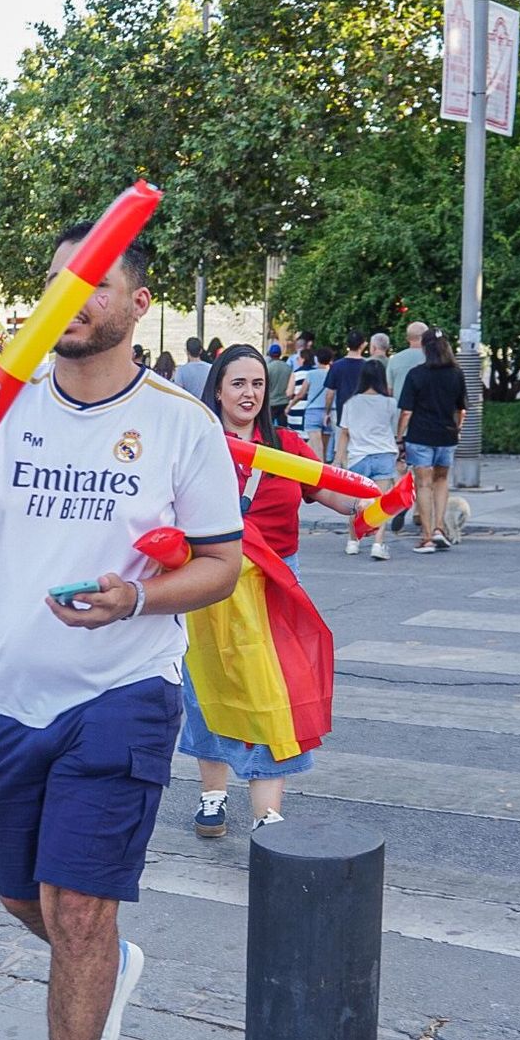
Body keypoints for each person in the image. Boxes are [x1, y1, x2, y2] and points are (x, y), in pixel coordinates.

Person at [0, 224, 243, 1040]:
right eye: (60, 280)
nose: (71, 297)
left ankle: (92, 965)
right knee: (26, 899)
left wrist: (136, 597)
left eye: (94, 281)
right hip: (7, 697)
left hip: (124, 690)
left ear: (139, 303)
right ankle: (107, 962)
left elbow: (221, 565)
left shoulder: (182, 424)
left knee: (80, 909)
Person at [180, 343, 360, 834]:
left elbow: (327, 490)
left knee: (274, 692)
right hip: (210, 580)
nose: (249, 393)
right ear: (218, 390)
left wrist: (365, 505)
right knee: (206, 687)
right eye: (238, 383)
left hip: (276, 581)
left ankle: (267, 816)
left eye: (257, 383)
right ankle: (212, 796)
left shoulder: (287, 447)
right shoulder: (195, 445)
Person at [397, 328, 467, 553]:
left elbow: (406, 412)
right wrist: (457, 429)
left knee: (424, 484)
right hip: (447, 435)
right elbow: (461, 410)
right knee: (442, 481)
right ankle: (439, 529)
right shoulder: (456, 373)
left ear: (425, 347)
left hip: (420, 436)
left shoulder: (416, 374)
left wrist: (399, 437)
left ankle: (426, 537)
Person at [337, 359, 400, 559]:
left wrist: (338, 460)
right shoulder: (390, 403)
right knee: (381, 504)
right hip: (384, 454)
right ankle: (378, 545)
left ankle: (353, 541)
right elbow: (394, 429)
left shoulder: (351, 403)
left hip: (358, 456)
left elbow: (344, 433)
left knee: (356, 503)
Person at [322, 330, 368, 441]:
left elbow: (330, 393)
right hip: (364, 413)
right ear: (362, 345)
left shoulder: (336, 366)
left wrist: (327, 412)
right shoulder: (367, 366)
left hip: (342, 413)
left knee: (342, 445)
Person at [304, 346, 336, 459]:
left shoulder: (311, 374)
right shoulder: (333, 373)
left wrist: (290, 405)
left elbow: (302, 393)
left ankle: (319, 468)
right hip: (330, 412)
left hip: (313, 411)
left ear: (316, 359)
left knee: (317, 447)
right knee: (325, 448)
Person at [386, 321, 426, 402]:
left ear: (407, 338)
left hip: (400, 407)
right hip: (426, 407)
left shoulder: (395, 359)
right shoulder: (433, 358)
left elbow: (389, 390)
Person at [265, 341, 294, 427]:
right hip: (284, 402)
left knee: (269, 427)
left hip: (271, 402)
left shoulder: (267, 368)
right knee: (283, 428)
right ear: (280, 354)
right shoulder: (288, 368)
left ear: (270, 354)